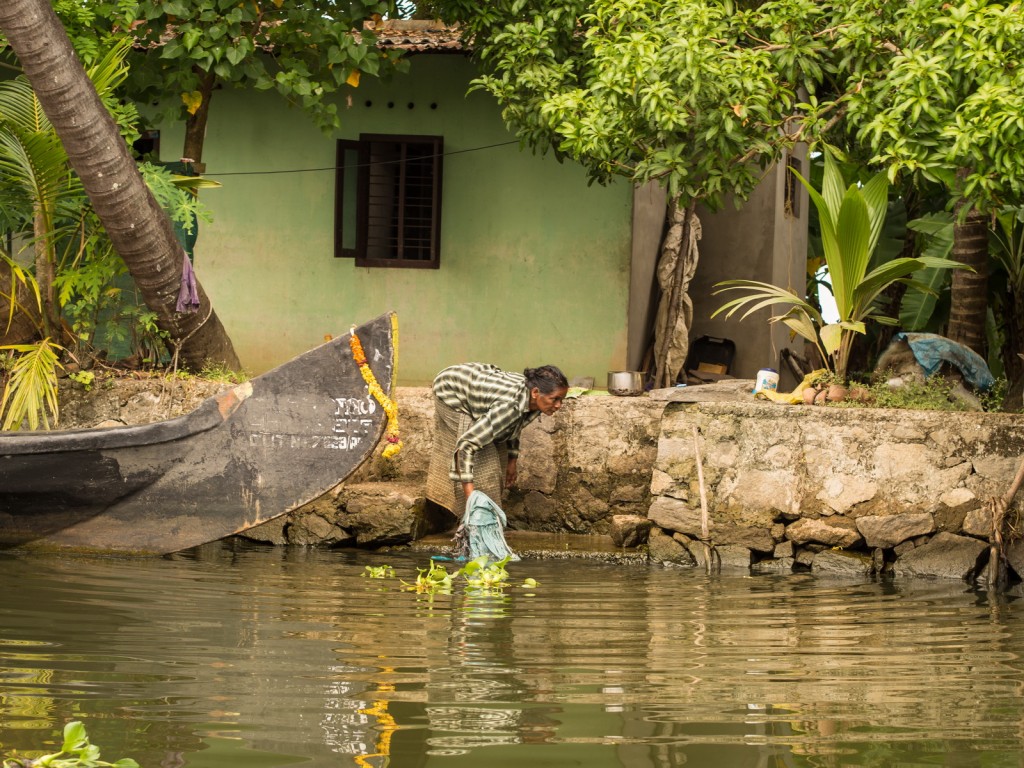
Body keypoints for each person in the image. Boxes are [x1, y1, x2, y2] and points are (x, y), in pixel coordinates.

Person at [426, 362, 569, 518]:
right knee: (484, 466)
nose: (558, 405)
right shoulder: (510, 406)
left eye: (561, 400)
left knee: (498, 454)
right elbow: (466, 445)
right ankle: (472, 517)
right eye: (555, 399)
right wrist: (471, 496)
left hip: (477, 383)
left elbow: (513, 425)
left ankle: (488, 514)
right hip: (451, 388)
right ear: (535, 392)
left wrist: (512, 461)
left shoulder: (533, 399)